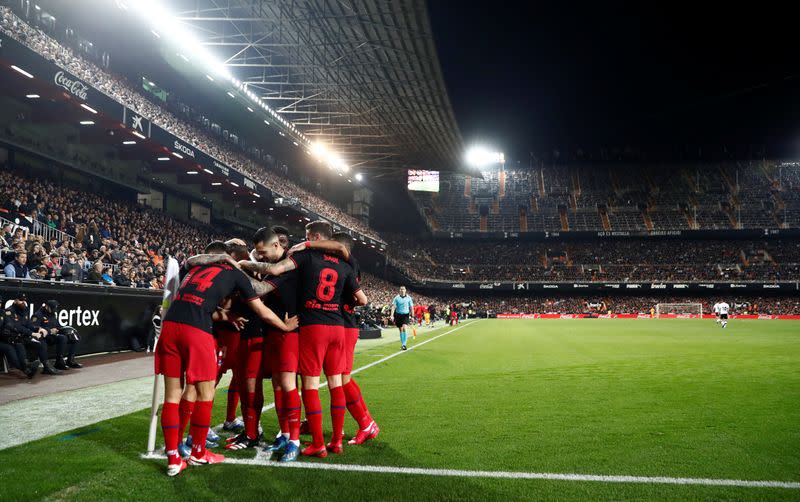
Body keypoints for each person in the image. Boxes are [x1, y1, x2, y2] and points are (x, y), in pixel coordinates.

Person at [155, 240, 298, 476]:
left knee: (172, 396)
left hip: (170, 327)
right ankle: (199, 453)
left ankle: (173, 458)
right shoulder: (235, 273)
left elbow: (191, 262)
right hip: (197, 330)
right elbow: (260, 308)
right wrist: (284, 325)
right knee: (205, 393)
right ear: (234, 258)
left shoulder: (194, 267)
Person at [240, 221, 366, 458]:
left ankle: (309, 442)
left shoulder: (305, 258)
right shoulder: (345, 262)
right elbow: (363, 299)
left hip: (309, 326)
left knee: (304, 386)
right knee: (333, 382)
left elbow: (274, 274)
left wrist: (242, 263)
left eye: (307, 236)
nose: (301, 240)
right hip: (336, 325)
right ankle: (329, 439)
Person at [330, 232, 379, 446]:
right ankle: (366, 422)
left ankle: (366, 423)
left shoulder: (349, 262)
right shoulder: (345, 265)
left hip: (344, 324)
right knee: (341, 378)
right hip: (339, 324)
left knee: (342, 379)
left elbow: (359, 298)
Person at [31, 299, 82, 369]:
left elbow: (57, 326)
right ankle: (58, 362)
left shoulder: (52, 314)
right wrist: (49, 330)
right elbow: (34, 328)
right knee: (62, 338)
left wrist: (64, 329)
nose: (54, 310)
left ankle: (70, 360)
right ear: (47, 307)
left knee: (74, 336)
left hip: (53, 335)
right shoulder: (38, 315)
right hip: (44, 337)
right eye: (52, 308)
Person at [390, 286, 413, 350]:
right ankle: (403, 343)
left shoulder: (409, 298)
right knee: (400, 330)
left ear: (405, 290)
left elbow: (411, 307)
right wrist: (391, 315)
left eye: (403, 289)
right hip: (398, 315)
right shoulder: (396, 298)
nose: (402, 290)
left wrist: (413, 316)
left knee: (405, 328)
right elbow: (393, 307)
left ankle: (404, 344)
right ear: (399, 290)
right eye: (401, 289)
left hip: (405, 315)